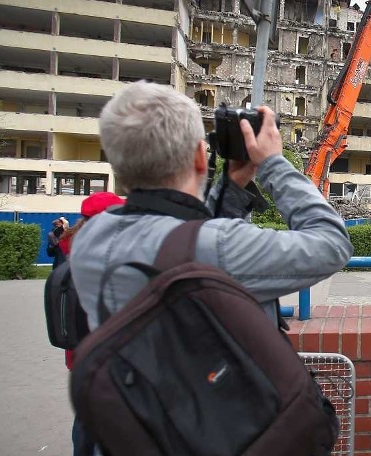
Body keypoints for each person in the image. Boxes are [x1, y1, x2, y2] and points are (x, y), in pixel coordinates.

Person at [69, 80, 353, 334]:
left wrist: (231, 188)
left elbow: (187, 235)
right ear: (198, 157)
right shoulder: (220, 246)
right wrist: (272, 164)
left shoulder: (90, 239)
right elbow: (332, 244)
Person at [59, 192, 125, 456]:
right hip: (107, 355)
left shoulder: (73, 250)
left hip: (78, 353)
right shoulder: (105, 257)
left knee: (86, 417)